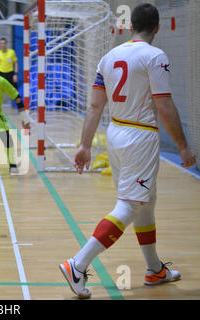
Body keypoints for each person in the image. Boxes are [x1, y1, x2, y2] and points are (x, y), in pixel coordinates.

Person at [59, 3, 196, 299]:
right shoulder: (154, 56)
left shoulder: (109, 57)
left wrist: (84, 144)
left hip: (116, 132)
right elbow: (164, 105)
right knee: (131, 204)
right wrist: (184, 146)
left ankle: (154, 268)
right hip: (140, 136)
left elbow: (96, 105)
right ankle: (77, 264)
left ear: (130, 25)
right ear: (157, 28)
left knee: (146, 201)